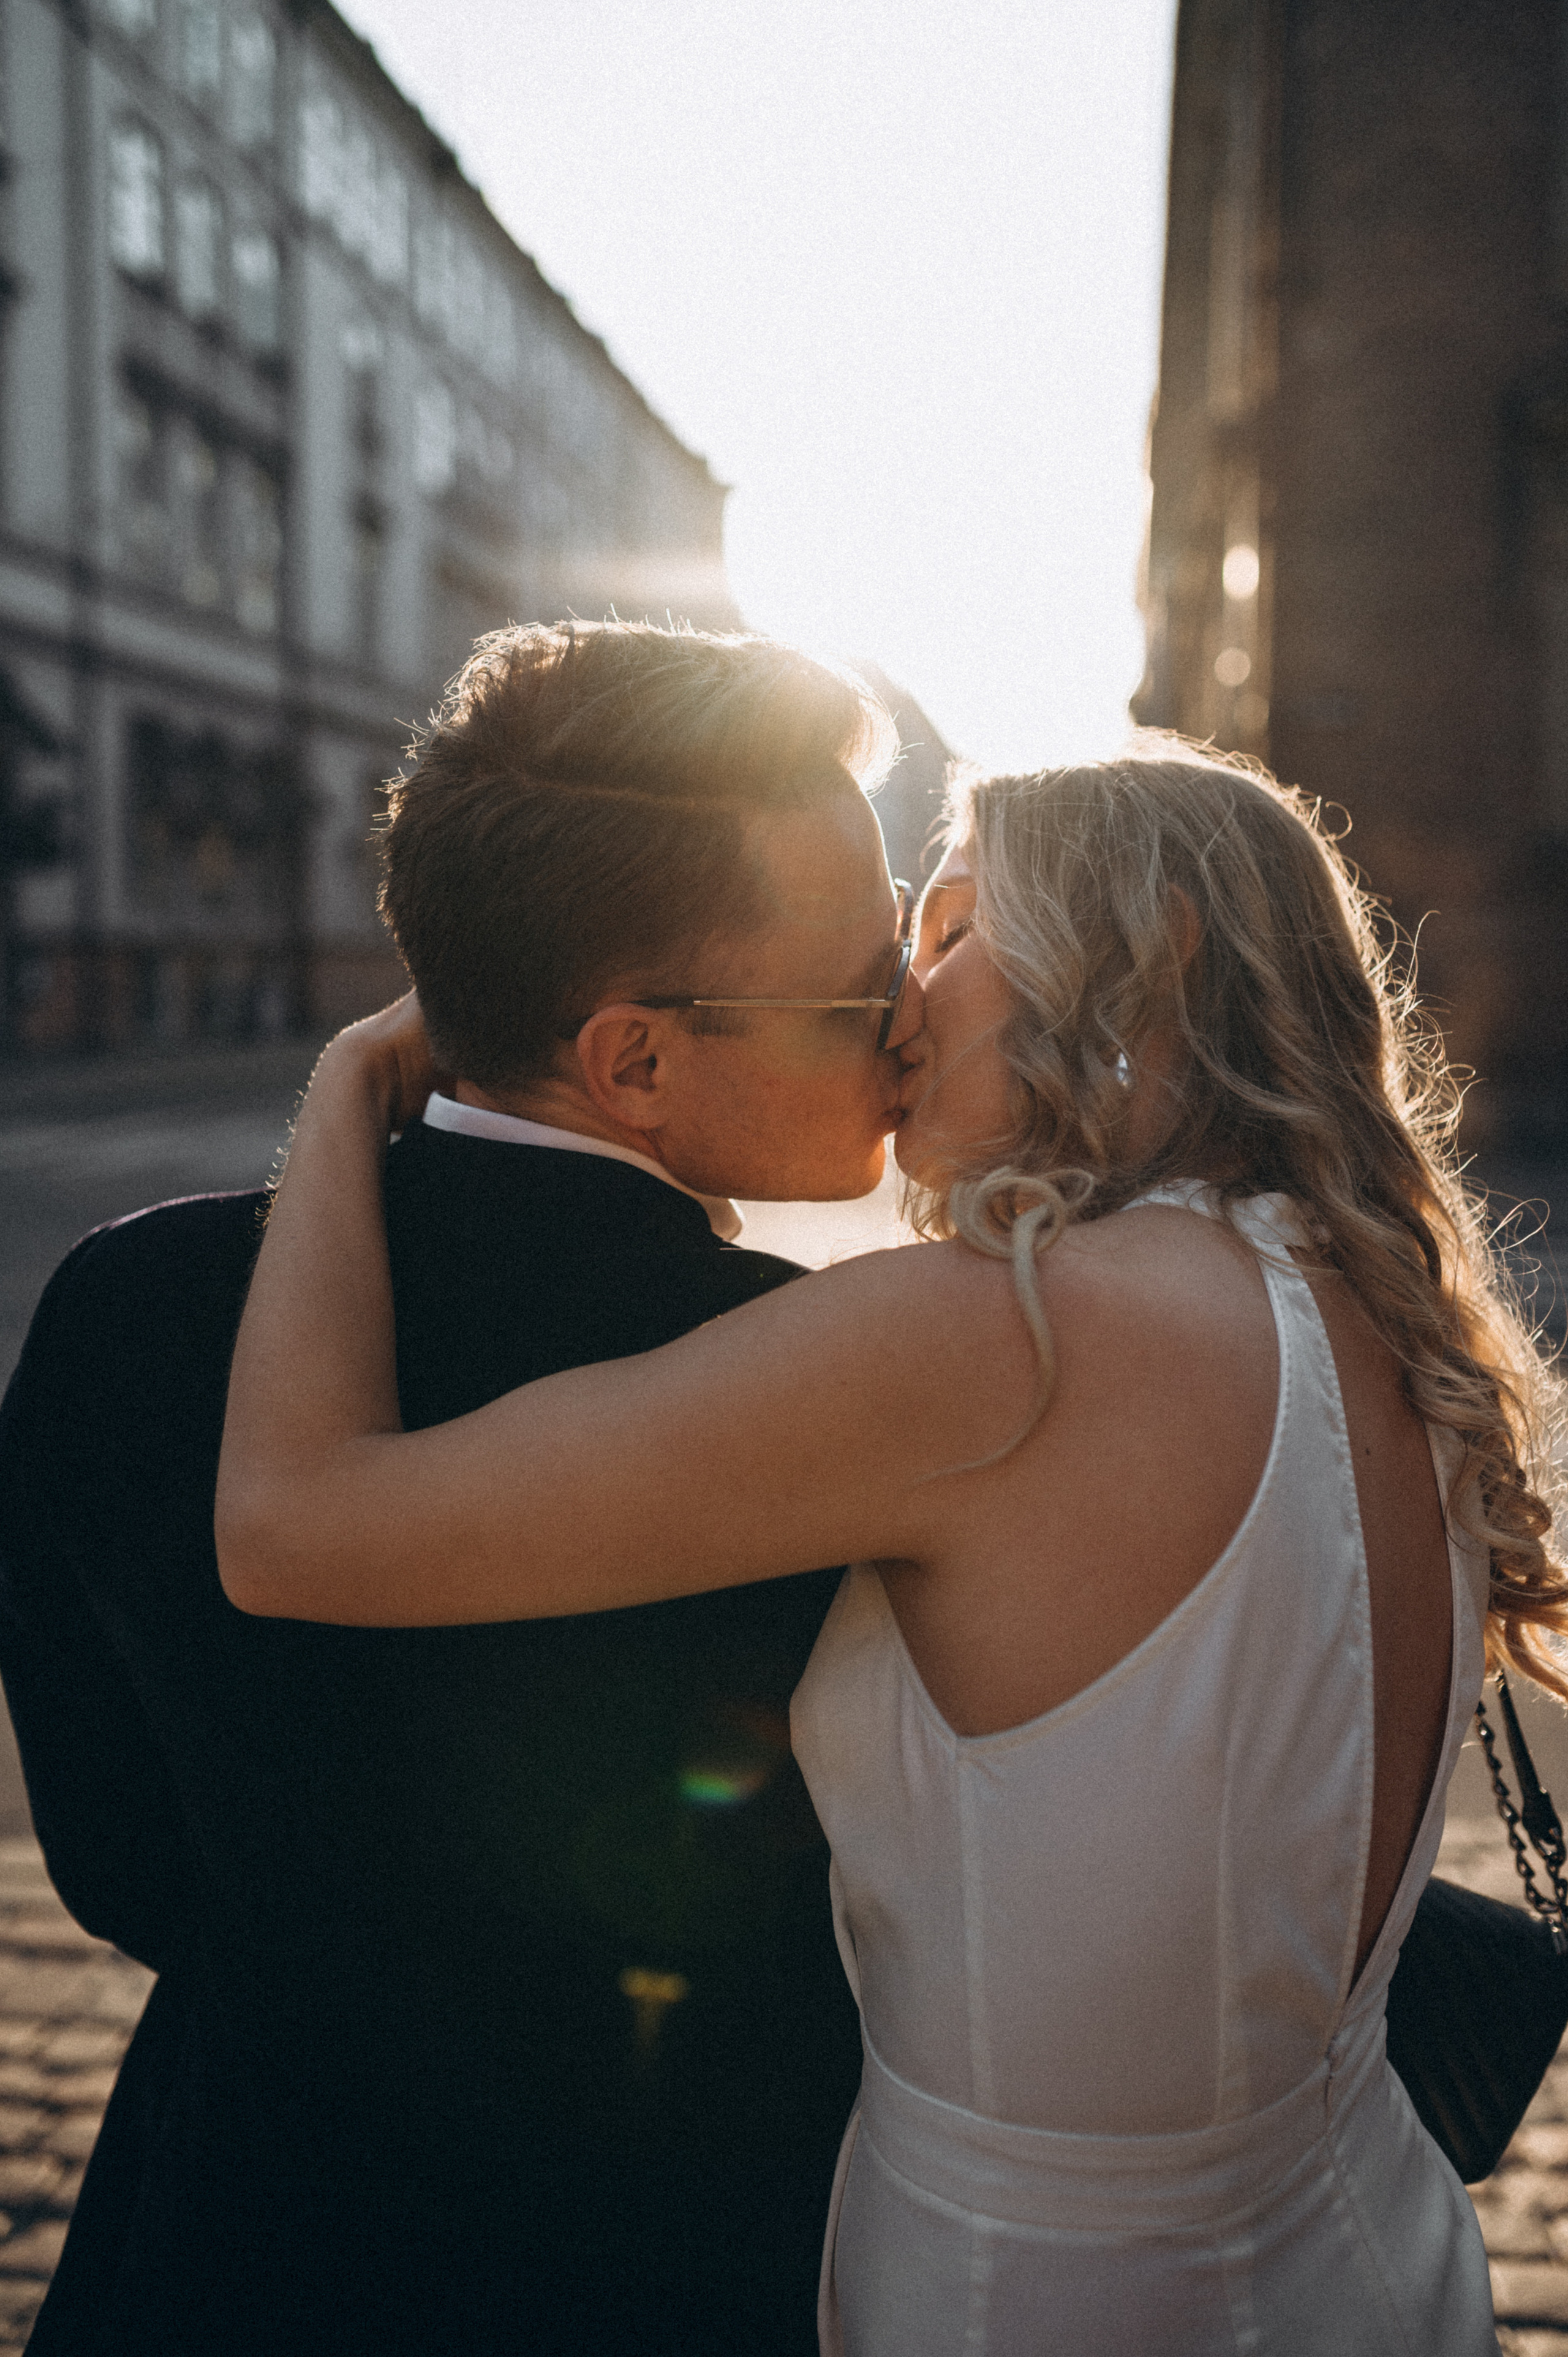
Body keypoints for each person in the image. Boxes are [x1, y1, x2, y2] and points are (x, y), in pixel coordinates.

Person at [219, 743, 1568, 2355]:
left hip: (1048, 2303)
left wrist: (350, 1087)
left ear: (1159, 954)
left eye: (951, 930)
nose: (899, 1005)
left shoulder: (1003, 1339)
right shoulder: (1389, 1319)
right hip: (1367, 2254)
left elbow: (298, 1531)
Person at [0, 619, 925, 2356]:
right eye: (865, 996)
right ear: (636, 1057)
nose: (911, 1033)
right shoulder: (831, 1393)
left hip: (224, 2240)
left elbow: (116, 1856)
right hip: (673, 2269)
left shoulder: (123, 1303)